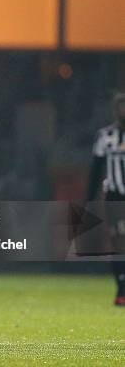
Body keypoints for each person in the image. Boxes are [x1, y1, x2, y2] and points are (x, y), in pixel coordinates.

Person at [86, 93, 125, 306]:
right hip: (115, 196)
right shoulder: (106, 136)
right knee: (119, 243)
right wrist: (89, 199)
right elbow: (95, 169)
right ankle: (121, 288)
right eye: (121, 107)